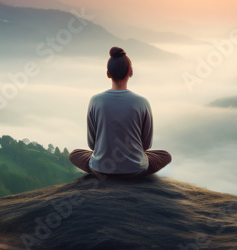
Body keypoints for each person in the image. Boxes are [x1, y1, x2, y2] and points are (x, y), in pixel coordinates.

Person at [69, 47, 172, 178]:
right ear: (130, 72)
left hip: (101, 169)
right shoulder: (142, 102)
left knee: (75, 154)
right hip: (135, 170)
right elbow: (146, 145)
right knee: (165, 156)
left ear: (108, 73)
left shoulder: (95, 101)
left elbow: (91, 144)